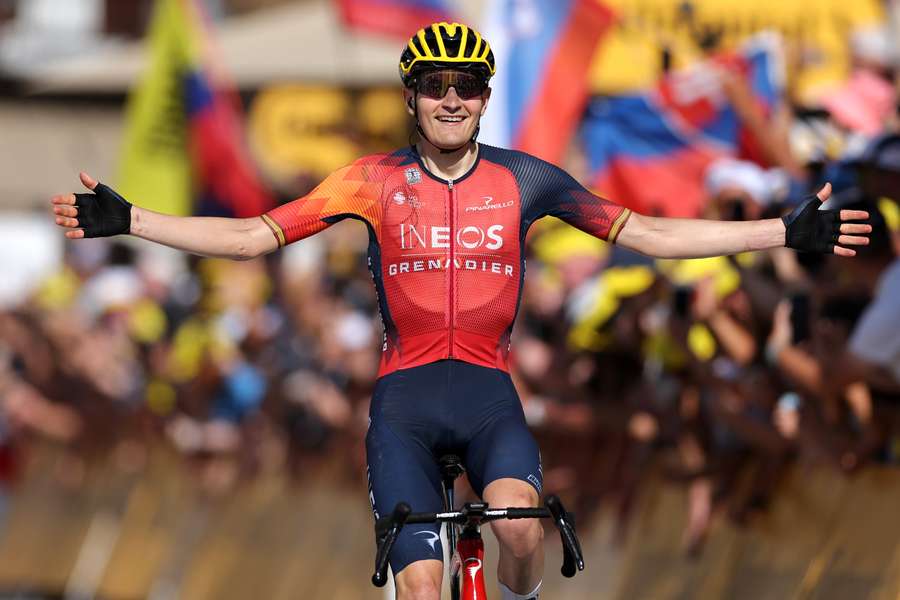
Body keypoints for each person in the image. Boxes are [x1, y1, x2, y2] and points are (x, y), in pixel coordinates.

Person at [50, 21, 871, 600]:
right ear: (412, 98)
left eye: (467, 86)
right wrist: (134, 222)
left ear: (484, 98)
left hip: (487, 397)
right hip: (404, 404)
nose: (452, 99)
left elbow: (648, 233)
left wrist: (782, 231)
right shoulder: (367, 180)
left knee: (520, 533)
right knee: (418, 584)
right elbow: (250, 240)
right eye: (435, 86)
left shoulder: (528, 178)